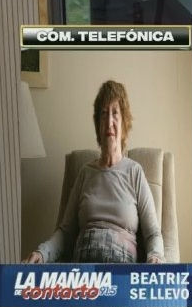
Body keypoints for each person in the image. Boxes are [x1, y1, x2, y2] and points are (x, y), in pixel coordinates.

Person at [24, 80, 165, 264]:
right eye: (103, 114)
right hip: (84, 272)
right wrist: (42, 252)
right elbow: (65, 232)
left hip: (120, 270)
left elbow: (153, 233)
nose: (109, 122)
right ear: (98, 123)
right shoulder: (85, 173)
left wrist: (155, 256)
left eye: (115, 113)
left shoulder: (135, 172)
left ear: (124, 122)